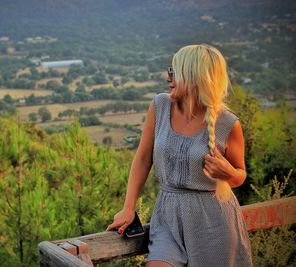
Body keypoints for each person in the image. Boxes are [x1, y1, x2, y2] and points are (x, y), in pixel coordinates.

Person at [106, 44, 252, 267]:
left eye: (175, 72)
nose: (168, 77)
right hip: (168, 216)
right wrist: (128, 207)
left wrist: (229, 172)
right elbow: (143, 159)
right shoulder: (160, 106)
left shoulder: (228, 123)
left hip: (214, 221)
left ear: (194, 77)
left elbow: (240, 175)